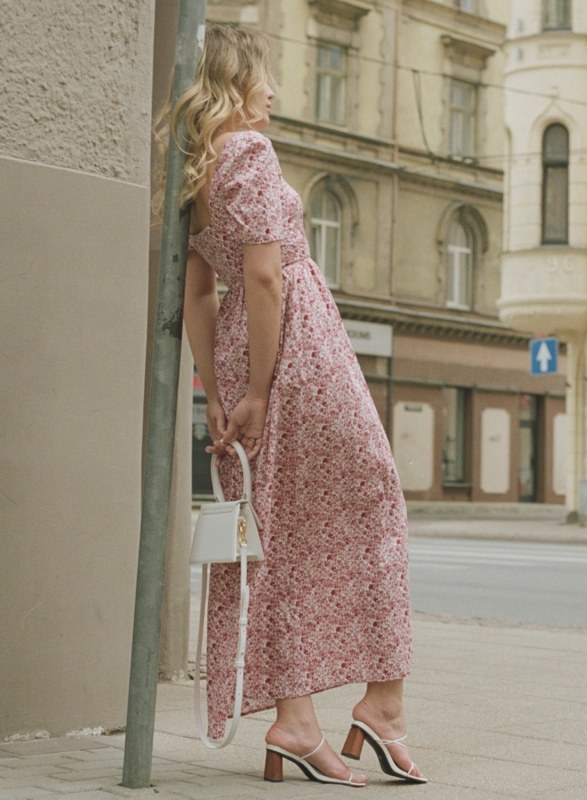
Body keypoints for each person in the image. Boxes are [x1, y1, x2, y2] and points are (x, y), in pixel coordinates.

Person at [161, 25, 426, 787]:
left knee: (274, 532)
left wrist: (221, 386)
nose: (272, 94)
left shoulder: (196, 167)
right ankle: (383, 705)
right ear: (235, 83)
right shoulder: (248, 151)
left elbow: (199, 294)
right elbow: (269, 278)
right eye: (263, 79)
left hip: (251, 352)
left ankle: (299, 718)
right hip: (298, 347)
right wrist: (255, 388)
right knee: (376, 495)